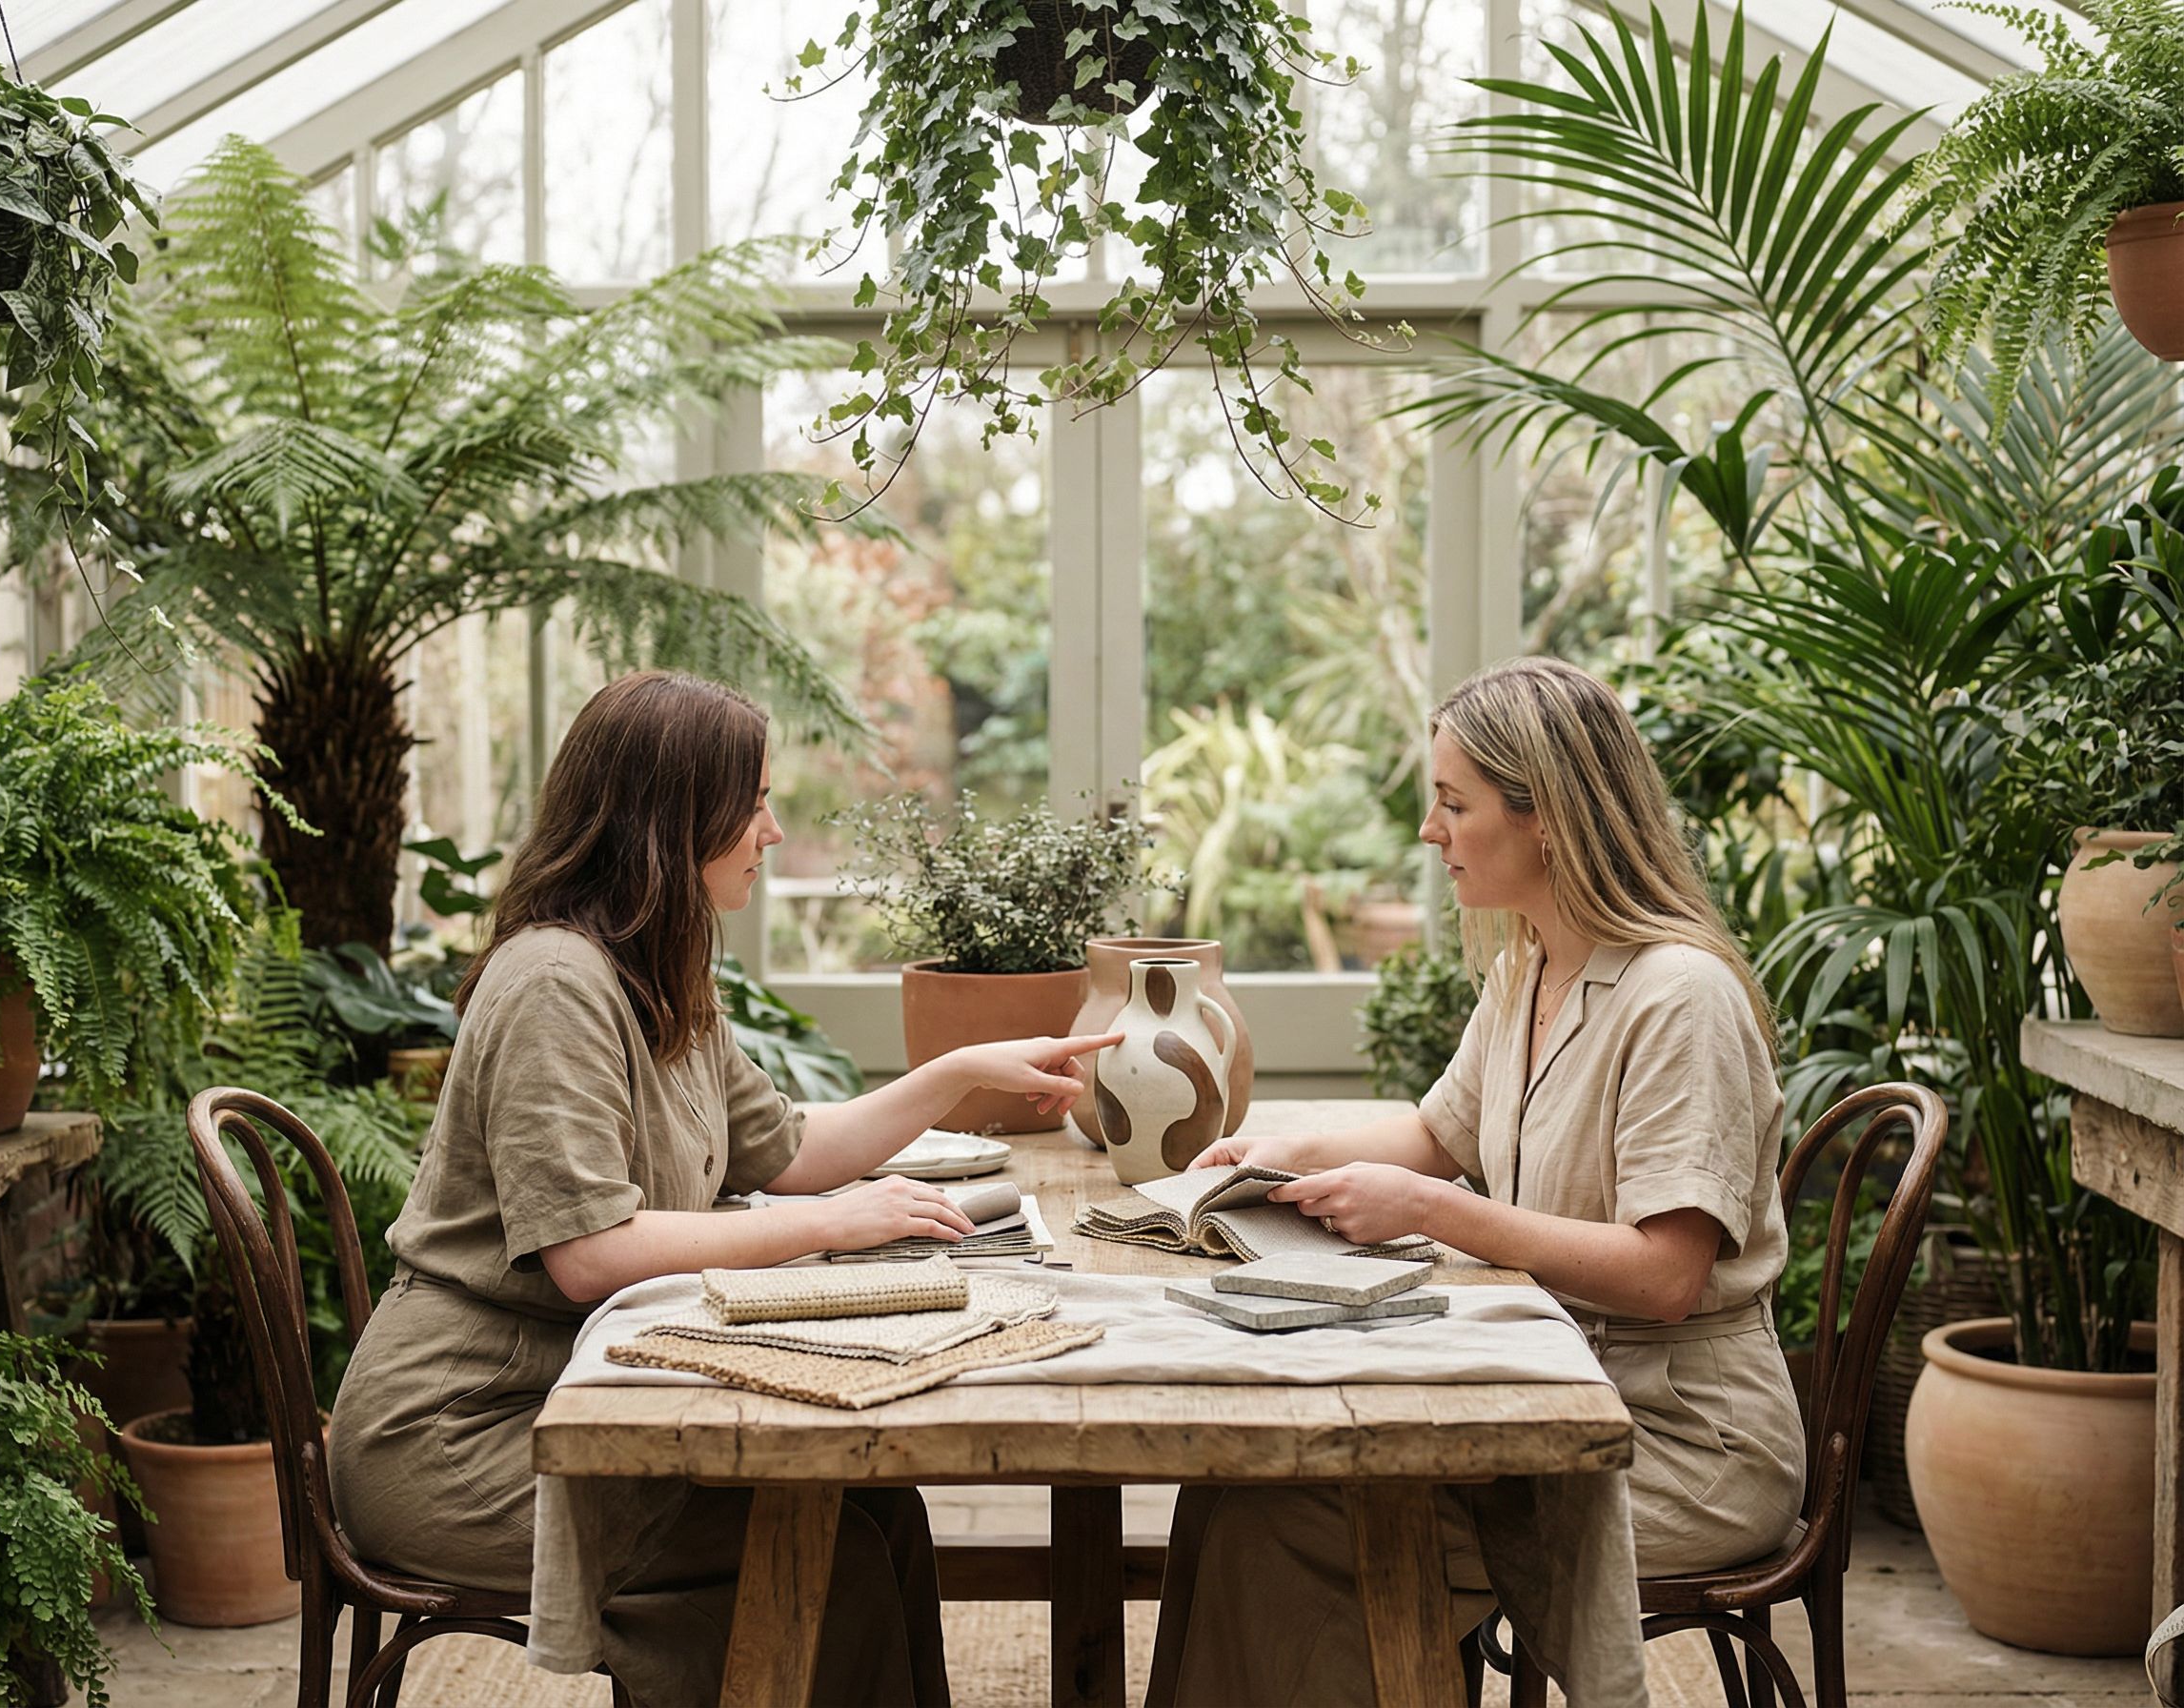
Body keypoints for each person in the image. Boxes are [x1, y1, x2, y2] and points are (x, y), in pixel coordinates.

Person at [328, 670, 1119, 1708]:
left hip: (587, 1392)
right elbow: (588, 1255)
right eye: (754, 804)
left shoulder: (659, 968)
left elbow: (785, 1149)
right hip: (465, 1432)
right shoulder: (555, 986)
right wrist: (829, 1228)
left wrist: (959, 1072)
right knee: (811, 1544)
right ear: (673, 817)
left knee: (876, 1508)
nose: (774, 831)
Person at [1146, 656, 1805, 1704]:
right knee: (1243, 1490)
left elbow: (1665, 1276)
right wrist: (1270, 1159)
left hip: (1678, 1439)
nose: (1428, 829)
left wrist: (1438, 1212)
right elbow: (1433, 1131)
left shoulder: (1680, 1000)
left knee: (1307, 1512)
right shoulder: (1529, 964)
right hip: (1548, 1382)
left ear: (1546, 818)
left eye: (1453, 802)